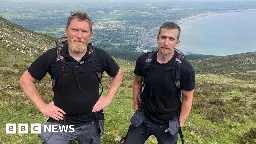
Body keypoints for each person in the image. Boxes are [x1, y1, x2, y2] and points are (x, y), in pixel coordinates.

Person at [19, 11, 123, 144]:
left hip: (91, 121)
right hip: (61, 122)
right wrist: (42, 106)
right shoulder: (53, 57)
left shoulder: (99, 56)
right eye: (74, 30)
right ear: (66, 31)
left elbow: (118, 73)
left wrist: (108, 97)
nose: (79, 35)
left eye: (84, 31)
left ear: (91, 35)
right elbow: (25, 80)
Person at [124, 22, 195, 144]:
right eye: (163, 37)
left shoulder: (185, 69)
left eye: (171, 39)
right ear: (158, 39)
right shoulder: (144, 61)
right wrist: (136, 107)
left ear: (177, 42)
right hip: (143, 116)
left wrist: (180, 123)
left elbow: (187, 98)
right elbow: (137, 83)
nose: (166, 43)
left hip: (168, 122)